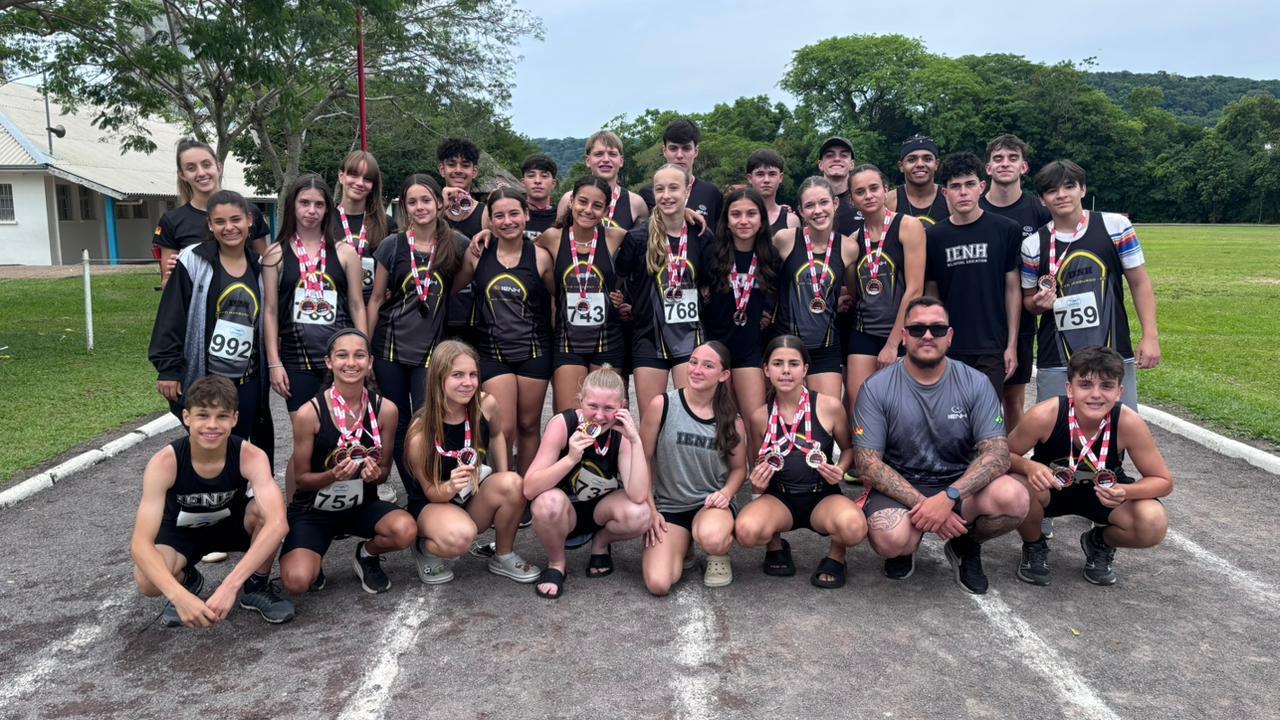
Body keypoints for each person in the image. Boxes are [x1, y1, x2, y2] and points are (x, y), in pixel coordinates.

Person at [854, 296, 1029, 595]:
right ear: (903, 336)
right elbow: (867, 465)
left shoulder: (976, 383)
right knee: (890, 539)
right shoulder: (876, 387)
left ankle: (965, 543)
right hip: (902, 486)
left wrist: (949, 497)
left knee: (1015, 499)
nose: (927, 336)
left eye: (936, 329)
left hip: (958, 484)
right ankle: (906, 549)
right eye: (917, 329)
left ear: (949, 336)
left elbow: (998, 455)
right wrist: (927, 506)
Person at [130, 376, 294, 627]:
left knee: (266, 512)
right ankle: (187, 582)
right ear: (187, 417)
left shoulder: (250, 456)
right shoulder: (165, 463)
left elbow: (278, 524)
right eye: (203, 416)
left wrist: (230, 585)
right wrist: (178, 596)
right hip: (181, 533)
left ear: (235, 419)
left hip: (231, 526)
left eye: (222, 416)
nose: (212, 425)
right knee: (146, 580)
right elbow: (140, 544)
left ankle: (255, 586)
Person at [1007, 346, 1171, 586]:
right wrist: (1028, 467)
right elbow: (1001, 455)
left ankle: (1100, 542)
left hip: (1103, 495)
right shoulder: (1046, 415)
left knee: (1153, 522)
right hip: (1051, 490)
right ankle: (1034, 544)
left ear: (1119, 392)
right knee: (1015, 488)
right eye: (1085, 385)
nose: (1096, 394)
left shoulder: (1128, 422)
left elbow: (1163, 481)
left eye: (1106, 386)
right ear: (1069, 389)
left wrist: (1126, 491)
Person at [278, 329, 416, 596]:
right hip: (314, 509)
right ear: (329, 362)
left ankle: (366, 554)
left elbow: (384, 472)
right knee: (296, 581)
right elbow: (302, 479)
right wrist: (333, 475)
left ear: (370, 362)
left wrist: (374, 475)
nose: (351, 363)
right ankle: (312, 557)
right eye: (342, 355)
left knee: (405, 530)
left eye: (359, 355)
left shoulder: (386, 410)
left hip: (360, 505)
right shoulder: (309, 413)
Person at [1022, 160, 1161, 411]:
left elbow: (1139, 282)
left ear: (1083, 190)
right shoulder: (1032, 245)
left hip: (1114, 352)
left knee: (1118, 426)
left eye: (1069, 187)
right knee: (1056, 428)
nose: (1061, 195)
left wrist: (1150, 336)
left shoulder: (1116, 226)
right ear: (1042, 200)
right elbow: (1029, 302)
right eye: (1052, 190)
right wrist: (1038, 304)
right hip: (1057, 358)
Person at [402, 341, 541, 584]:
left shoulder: (485, 404)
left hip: (470, 494)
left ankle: (503, 555)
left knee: (513, 483)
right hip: (433, 502)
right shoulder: (420, 433)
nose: (468, 383)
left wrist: (502, 476)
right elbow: (431, 492)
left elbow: (497, 435)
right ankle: (423, 546)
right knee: (460, 539)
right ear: (438, 378)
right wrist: (451, 486)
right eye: (457, 375)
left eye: (473, 374)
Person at [734, 335, 866, 589]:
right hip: (780, 498)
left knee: (854, 527)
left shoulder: (829, 406)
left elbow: (849, 449)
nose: (785, 371)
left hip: (822, 496)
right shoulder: (760, 416)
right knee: (746, 532)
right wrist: (758, 484)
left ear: (805, 369)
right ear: (766, 370)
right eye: (778, 363)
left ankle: (836, 556)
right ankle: (776, 546)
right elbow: (759, 463)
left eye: (793, 364)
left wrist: (840, 469)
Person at [366, 174, 470, 490]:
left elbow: (461, 283)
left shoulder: (457, 244)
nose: (420, 207)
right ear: (404, 207)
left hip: (431, 352)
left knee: (427, 422)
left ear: (439, 203)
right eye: (412, 202)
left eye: (426, 200)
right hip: (390, 348)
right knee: (397, 423)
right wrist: (365, 350)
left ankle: (434, 484)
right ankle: (415, 492)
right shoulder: (392, 245)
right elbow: (375, 299)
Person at [149, 190, 270, 446]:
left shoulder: (260, 266)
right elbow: (172, 313)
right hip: (206, 378)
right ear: (210, 225)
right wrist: (168, 368)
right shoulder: (193, 259)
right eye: (220, 221)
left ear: (249, 220)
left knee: (238, 446)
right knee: (210, 445)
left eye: (236, 219)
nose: (229, 228)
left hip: (247, 379)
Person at [523, 367, 650, 599]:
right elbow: (530, 488)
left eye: (609, 408)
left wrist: (635, 441)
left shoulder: (621, 433)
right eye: (592, 406)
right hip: (564, 511)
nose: (599, 416)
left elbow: (638, 494)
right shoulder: (563, 424)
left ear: (622, 406)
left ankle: (601, 542)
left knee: (641, 514)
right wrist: (570, 458)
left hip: (600, 512)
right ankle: (556, 563)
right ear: (580, 401)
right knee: (546, 503)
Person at [455, 187, 554, 474]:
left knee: (528, 425)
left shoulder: (541, 257)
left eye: (514, 214)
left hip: (534, 351)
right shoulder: (477, 254)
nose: (507, 221)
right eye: (499, 216)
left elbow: (557, 298)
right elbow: (450, 287)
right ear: (490, 220)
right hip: (493, 353)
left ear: (526, 215)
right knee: (504, 427)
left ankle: (526, 487)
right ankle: (503, 486)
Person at [640, 342, 747, 594]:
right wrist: (650, 509)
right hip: (670, 507)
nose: (697, 370)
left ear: (724, 375)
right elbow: (642, 460)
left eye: (708, 366)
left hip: (710, 505)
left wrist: (726, 494)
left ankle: (719, 554)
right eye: (693, 362)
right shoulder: (662, 405)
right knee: (659, 583)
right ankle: (682, 544)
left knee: (712, 537)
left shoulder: (732, 420)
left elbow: (739, 470)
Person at [262, 174, 367, 418]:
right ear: (292, 206)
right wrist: (274, 363)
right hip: (296, 358)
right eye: (304, 203)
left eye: (319, 204)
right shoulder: (274, 254)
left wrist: (363, 351)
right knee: (304, 431)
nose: (312, 211)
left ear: (327, 209)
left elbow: (357, 305)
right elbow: (270, 311)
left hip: (342, 357)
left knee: (342, 429)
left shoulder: (345, 252)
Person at [925, 152, 1023, 399]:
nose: (963, 192)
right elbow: (932, 295)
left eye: (969, 184)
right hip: (950, 345)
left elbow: (1012, 290)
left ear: (982, 187)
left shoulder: (1006, 230)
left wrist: (1011, 345)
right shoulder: (934, 236)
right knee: (949, 415)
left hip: (991, 345)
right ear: (945, 193)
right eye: (955, 186)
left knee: (987, 415)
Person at [619, 164, 715, 416]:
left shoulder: (701, 234)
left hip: (690, 338)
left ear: (687, 191)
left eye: (674, 188)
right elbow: (621, 276)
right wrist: (625, 302)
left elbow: (709, 281)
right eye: (660, 189)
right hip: (648, 338)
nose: (666, 195)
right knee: (651, 419)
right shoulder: (638, 237)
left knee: (690, 416)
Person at [539, 176, 631, 412]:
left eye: (597, 205)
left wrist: (624, 296)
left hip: (608, 340)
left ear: (606, 210)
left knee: (604, 416)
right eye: (582, 201)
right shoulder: (552, 237)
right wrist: (486, 234)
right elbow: (517, 252)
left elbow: (650, 241)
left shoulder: (616, 236)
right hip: (567, 341)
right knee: (571, 416)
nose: (588, 210)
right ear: (571, 201)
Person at [980, 134, 1052, 432]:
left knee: (1012, 397)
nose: (1004, 164)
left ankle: (1012, 454)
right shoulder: (973, 206)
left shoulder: (1039, 211)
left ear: (1024, 167)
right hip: (978, 314)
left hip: (1020, 316)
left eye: (1012, 158)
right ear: (988, 168)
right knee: (975, 396)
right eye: (998, 158)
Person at [844, 164, 926, 419]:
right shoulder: (853, 239)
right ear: (851, 199)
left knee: (901, 411)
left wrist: (892, 344)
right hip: (864, 331)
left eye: (874, 188)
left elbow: (915, 289)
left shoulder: (908, 226)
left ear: (885, 190)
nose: (868, 196)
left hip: (900, 334)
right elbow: (854, 292)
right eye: (860, 192)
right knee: (859, 406)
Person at [771, 177, 856, 399]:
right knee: (787, 415)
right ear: (801, 211)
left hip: (826, 347)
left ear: (835, 204)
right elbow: (766, 279)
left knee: (827, 412)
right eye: (809, 205)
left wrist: (834, 299)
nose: (818, 211)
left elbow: (852, 292)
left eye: (823, 202)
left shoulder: (848, 247)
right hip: (786, 346)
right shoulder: (785, 240)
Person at [703, 187, 780, 416]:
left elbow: (776, 298)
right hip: (716, 348)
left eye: (751, 214)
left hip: (751, 350)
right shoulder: (711, 254)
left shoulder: (771, 256)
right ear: (726, 221)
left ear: (761, 220)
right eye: (736, 214)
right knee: (721, 421)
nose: (743, 221)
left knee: (755, 418)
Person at [154, 139, 271, 286]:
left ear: (219, 167)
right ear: (182, 175)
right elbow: (167, 285)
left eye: (206, 164)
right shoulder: (172, 220)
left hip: (246, 297)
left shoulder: (249, 211)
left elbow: (267, 269)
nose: (201, 173)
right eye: (191, 168)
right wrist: (173, 277)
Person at [638, 119, 723, 227]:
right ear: (664, 151)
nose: (679, 155)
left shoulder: (711, 193)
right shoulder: (648, 193)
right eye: (673, 148)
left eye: (686, 148)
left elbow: (720, 234)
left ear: (695, 151)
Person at [556, 131, 649, 230]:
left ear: (621, 161)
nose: (606, 159)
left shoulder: (636, 203)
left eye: (612, 154)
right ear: (588, 161)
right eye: (599, 154)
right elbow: (558, 237)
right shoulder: (569, 199)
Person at [334, 150, 391, 301]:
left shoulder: (387, 224)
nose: (359, 183)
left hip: (375, 308)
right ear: (341, 176)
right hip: (336, 307)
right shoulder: (324, 222)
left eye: (367, 179)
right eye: (354, 175)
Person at [885, 135, 950, 225]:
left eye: (927, 159)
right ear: (901, 166)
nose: (920, 164)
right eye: (912, 160)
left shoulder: (950, 198)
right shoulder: (888, 201)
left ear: (936, 164)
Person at [436, 137, 488, 238]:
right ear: (442, 170)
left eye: (465, 165)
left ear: (474, 172)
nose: (458, 170)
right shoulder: (428, 208)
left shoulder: (485, 213)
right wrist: (440, 208)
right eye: (451, 165)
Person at [816, 136, 864, 236]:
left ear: (852, 164)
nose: (837, 159)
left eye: (844, 155)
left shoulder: (864, 200)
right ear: (820, 165)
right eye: (829, 155)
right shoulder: (809, 203)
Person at [745, 149, 800, 235]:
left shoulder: (791, 220)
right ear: (749, 178)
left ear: (780, 177)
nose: (766, 180)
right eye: (760, 174)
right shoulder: (739, 218)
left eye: (772, 174)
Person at [521, 153, 560, 239]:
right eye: (531, 176)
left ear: (553, 183)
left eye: (544, 176)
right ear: (523, 182)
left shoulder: (561, 218)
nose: (537, 181)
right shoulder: (513, 216)